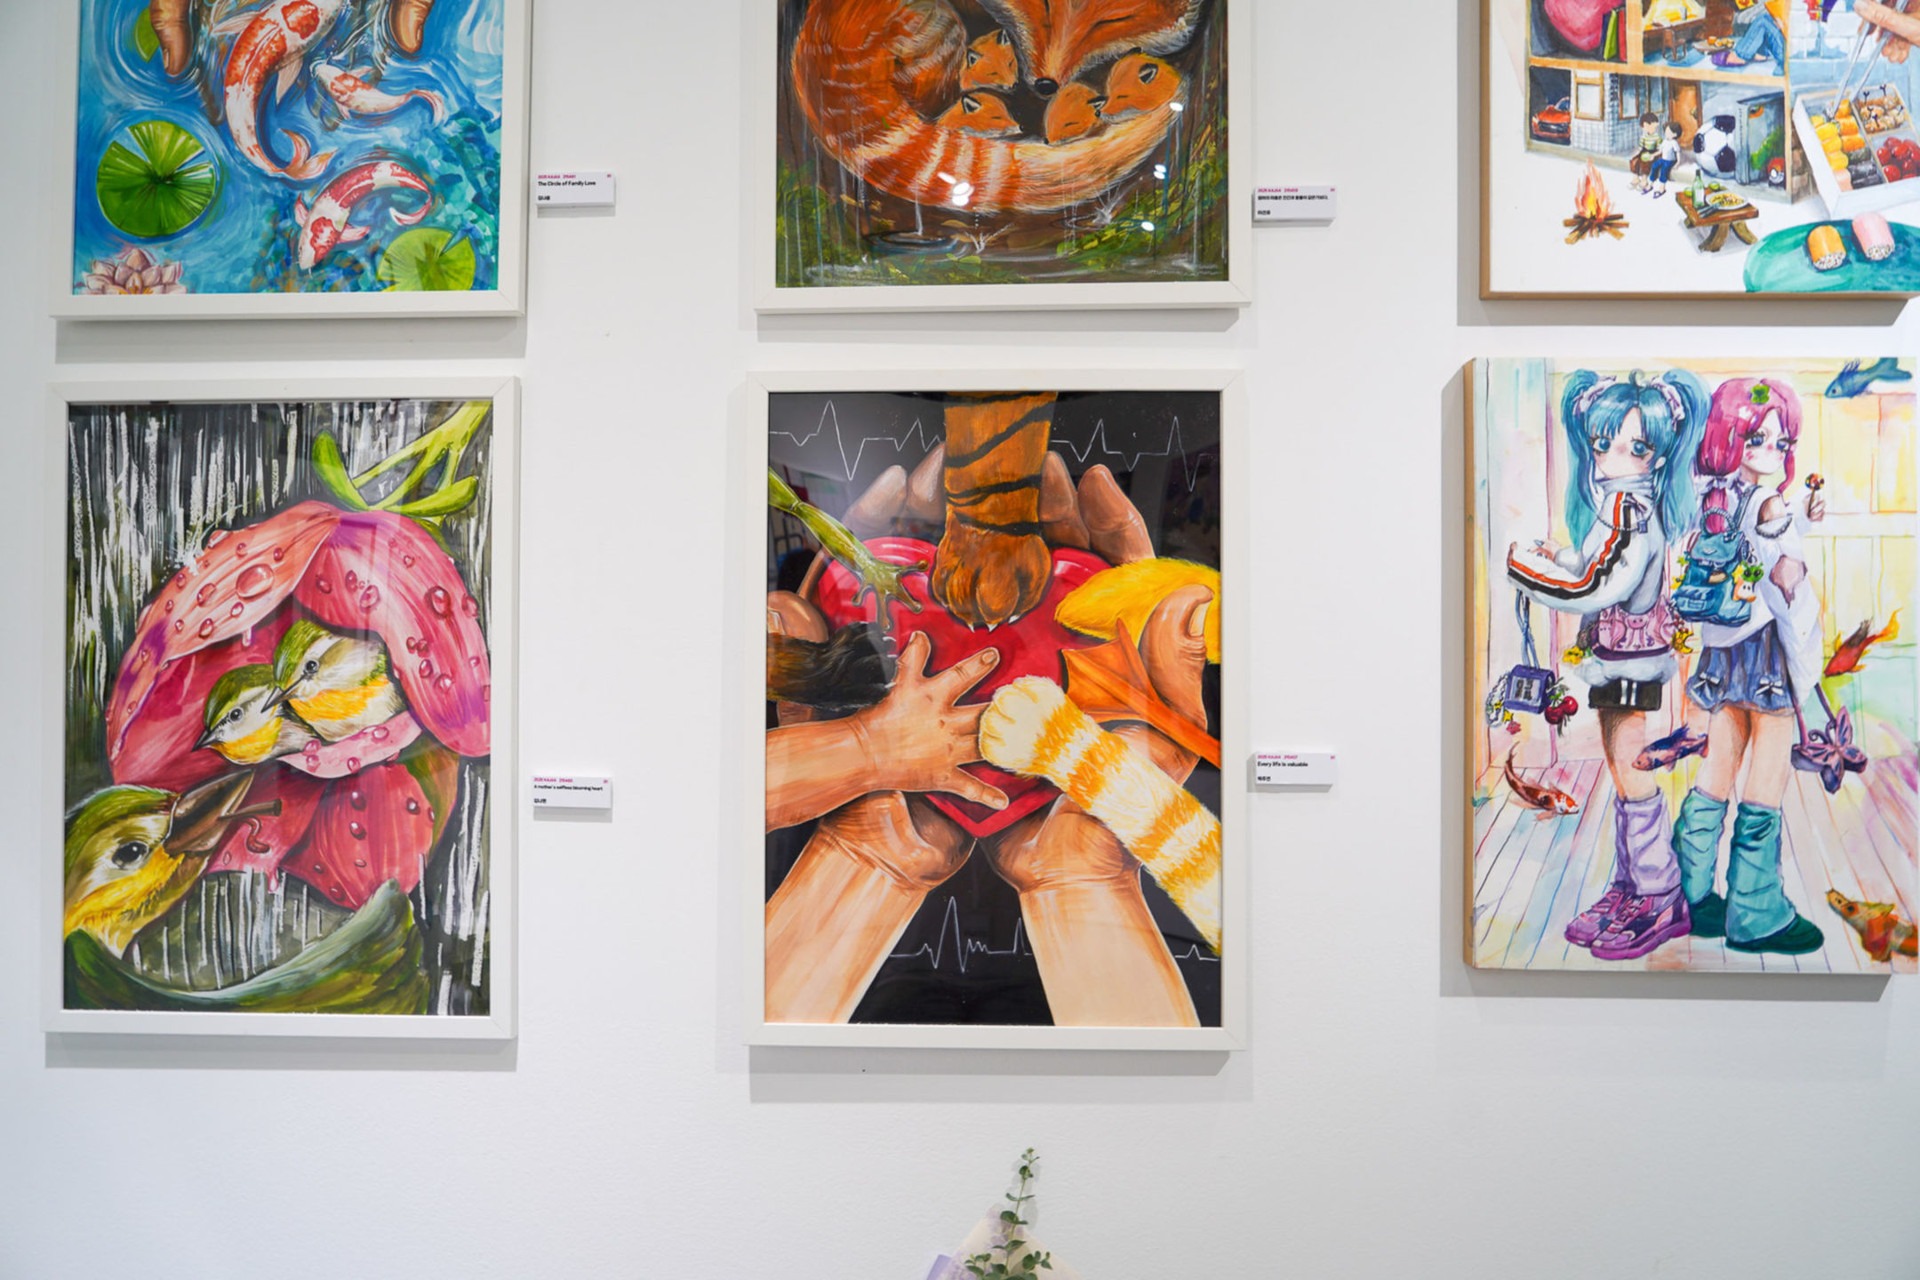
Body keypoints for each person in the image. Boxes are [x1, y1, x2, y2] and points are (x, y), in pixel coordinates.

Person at [1505, 370, 1707, 961]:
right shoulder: (1619, 505)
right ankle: (1633, 885)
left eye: (1635, 446)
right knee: (1623, 769)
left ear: (1658, 454)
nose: (1614, 456)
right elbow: (1594, 563)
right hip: (1619, 655)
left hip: (1630, 660)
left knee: (1631, 768)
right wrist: (1558, 557)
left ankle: (1659, 894)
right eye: (1604, 443)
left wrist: (1528, 571)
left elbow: (1596, 586)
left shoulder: (1632, 512)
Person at [1671, 378, 1827, 955]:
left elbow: (1751, 545)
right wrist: (1796, 558)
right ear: (1733, 435)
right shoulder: (1766, 501)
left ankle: (1690, 894)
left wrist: (1798, 519)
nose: (1773, 450)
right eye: (1760, 438)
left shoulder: (1712, 493)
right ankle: (1756, 912)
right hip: (1764, 651)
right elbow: (1782, 567)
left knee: (1718, 766)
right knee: (1767, 773)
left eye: (1781, 441)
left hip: (1722, 648)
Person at [1722, 0, 1788, 68]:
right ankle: (1761, 52)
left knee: (1762, 21)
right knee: (1765, 19)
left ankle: (1741, 55)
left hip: (1785, 51)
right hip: (1782, 43)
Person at [1648, 121, 1684, 196]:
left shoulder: (1674, 142)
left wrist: (1678, 162)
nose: (1666, 134)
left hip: (1670, 161)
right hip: (1663, 159)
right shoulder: (1664, 141)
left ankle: (1662, 187)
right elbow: (1660, 151)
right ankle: (1650, 184)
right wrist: (1653, 155)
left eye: (1669, 132)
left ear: (1675, 134)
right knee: (1654, 165)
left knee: (1664, 169)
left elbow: (1677, 152)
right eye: (1666, 132)